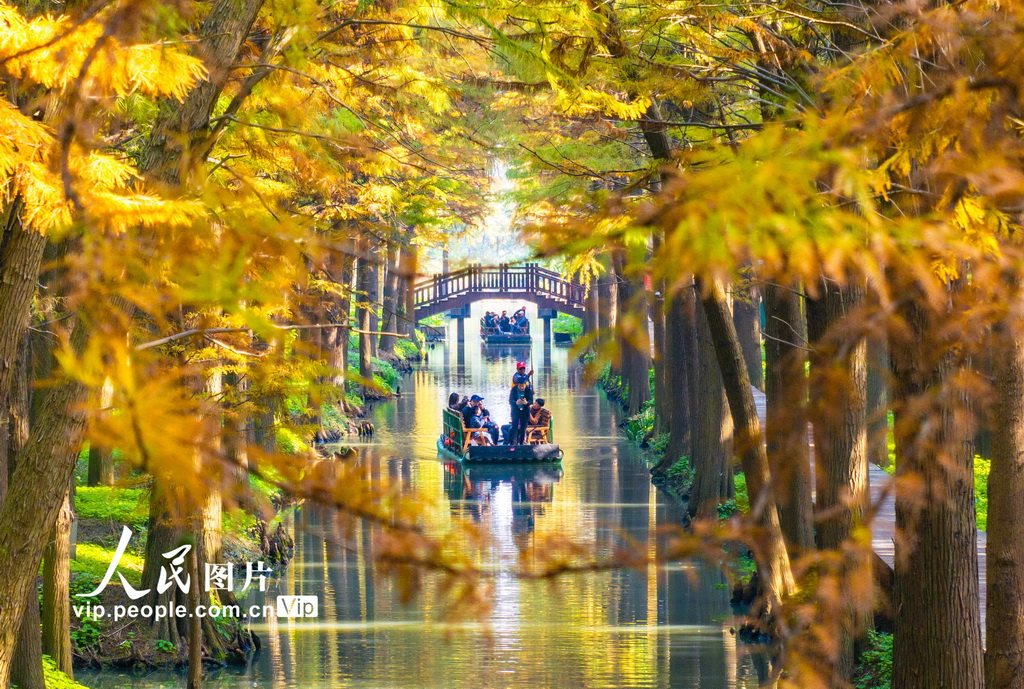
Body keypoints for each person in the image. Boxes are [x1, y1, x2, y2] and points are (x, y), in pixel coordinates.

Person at [508, 381, 533, 445]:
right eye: (520, 386)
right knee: (514, 427)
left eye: (523, 386)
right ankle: (513, 443)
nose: (522, 387)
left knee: (523, 428)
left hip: (525, 411)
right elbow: (510, 401)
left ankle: (522, 443)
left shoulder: (528, 390)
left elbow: (531, 400)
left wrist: (526, 403)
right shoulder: (514, 390)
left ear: (525, 385)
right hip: (515, 411)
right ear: (518, 385)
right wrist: (516, 402)